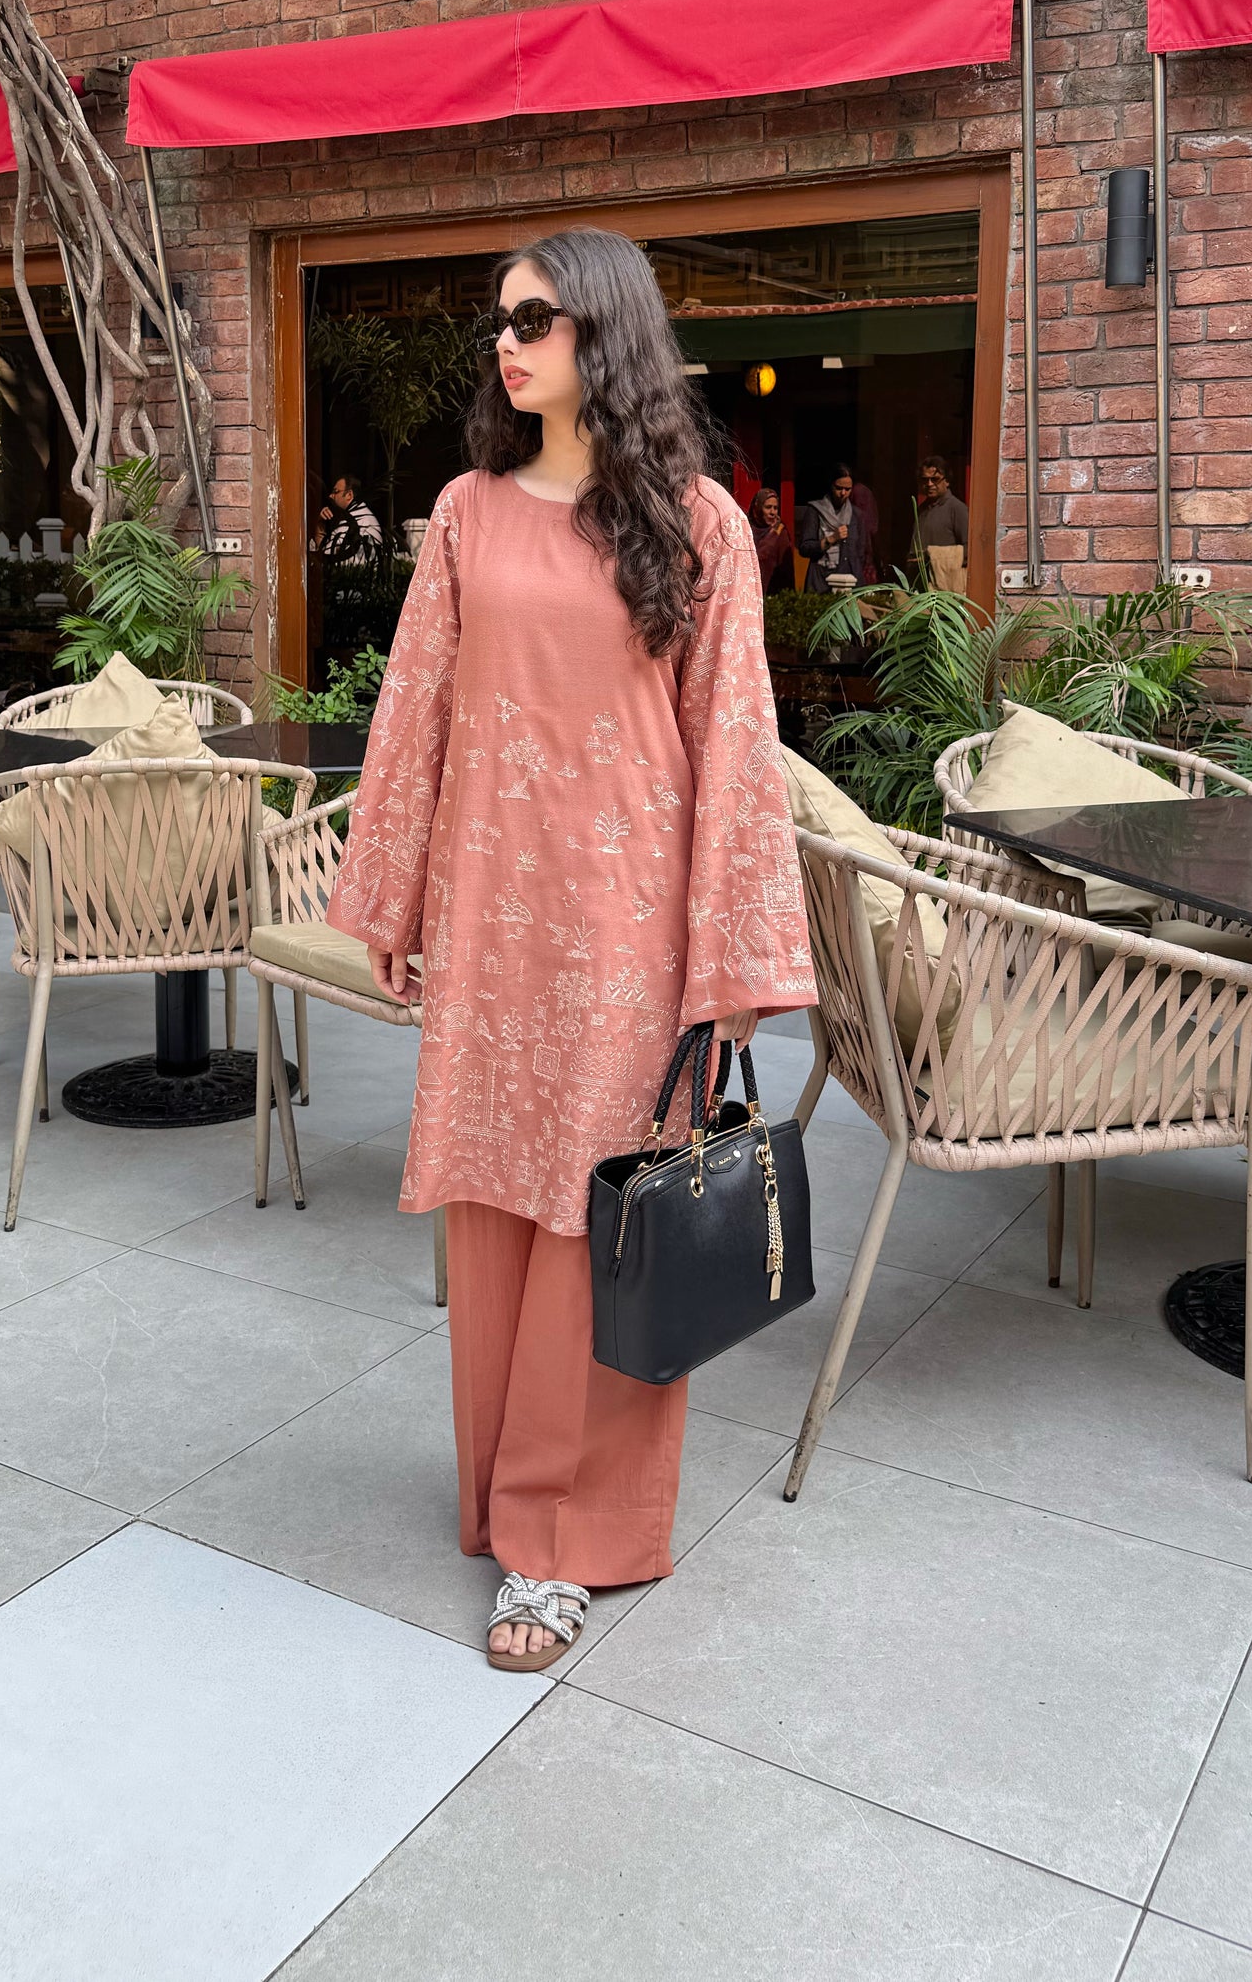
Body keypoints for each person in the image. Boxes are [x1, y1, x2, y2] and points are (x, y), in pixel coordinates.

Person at [327, 229, 814, 1670]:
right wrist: (395, 901)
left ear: (605, 329)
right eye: (498, 319)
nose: (506, 340)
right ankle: (503, 1495)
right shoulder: (464, 512)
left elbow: (736, 746)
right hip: (494, 918)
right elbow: (413, 709)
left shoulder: (696, 522)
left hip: (627, 933)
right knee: (496, 1204)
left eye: (533, 317)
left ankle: (558, 1537)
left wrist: (732, 962)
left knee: (597, 1219)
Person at [796, 465, 871, 593]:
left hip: (850, 582)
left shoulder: (856, 515)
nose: (843, 493)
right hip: (822, 582)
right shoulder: (816, 511)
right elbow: (804, 548)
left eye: (847, 489)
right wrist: (831, 539)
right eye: (839, 488)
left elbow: (861, 552)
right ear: (831, 486)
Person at [911, 455, 969, 583]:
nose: (929, 484)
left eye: (935, 479)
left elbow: (969, 550)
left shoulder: (956, 508)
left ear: (946, 481)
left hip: (945, 583)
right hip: (921, 582)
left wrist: (935, 557)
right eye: (925, 480)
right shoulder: (922, 509)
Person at [315, 473, 383, 561]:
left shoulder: (354, 520)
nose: (331, 496)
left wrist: (318, 527)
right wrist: (320, 525)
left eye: (335, 492)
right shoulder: (363, 513)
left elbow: (325, 557)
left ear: (349, 495)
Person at [749, 485, 795, 593]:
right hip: (748, 588)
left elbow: (787, 570)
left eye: (775, 508)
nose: (772, 512)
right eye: (768, 507)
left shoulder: (779, 532)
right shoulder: (746, 528)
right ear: (758, 507)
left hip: (771, 592)